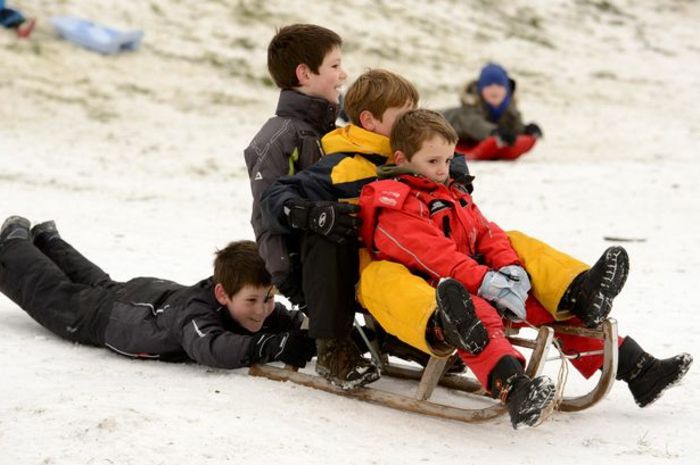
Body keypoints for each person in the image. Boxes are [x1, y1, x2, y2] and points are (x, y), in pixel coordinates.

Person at [357, 109, 693, 428]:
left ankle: (638, 368)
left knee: (550, 305)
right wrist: (485, 280)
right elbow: (434, 255)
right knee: (477, 318)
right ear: (401, 159)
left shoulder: (453, 193)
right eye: (433, 162)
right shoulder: (394, 203)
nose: (443, 169)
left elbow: (487, 232)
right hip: (440, 291)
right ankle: (515, 388)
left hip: (478, 276)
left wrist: (510, 269)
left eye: (447, 160)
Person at [243, 24, 379, 390]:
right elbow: (268, 211)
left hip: (345, 244)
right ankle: (334, 349)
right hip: (303, 260)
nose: (343, 74)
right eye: (335, 66)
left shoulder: (335, 133)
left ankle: (411, 337)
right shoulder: (276, 139)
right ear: (305, 73)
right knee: (328, 225)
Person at [0, 216, 316, 370]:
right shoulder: (196, 316)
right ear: (222, 294)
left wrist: (322, 333)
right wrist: (270, 346)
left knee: (98, 283)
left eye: (269, 298)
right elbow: (211, 347)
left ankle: (49, 242)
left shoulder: (244, 300)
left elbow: (289, 320)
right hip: (110, 319)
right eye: (252, 301)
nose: (262, 310)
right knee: (56, 294)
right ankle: (14, 244)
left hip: (144, 297)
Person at [442, 62, 542, 161]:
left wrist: (526, 130)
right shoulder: (470, 107)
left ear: (506, 89)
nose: (494, 89)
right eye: (488, 85)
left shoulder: (509, 109)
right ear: (480, 89)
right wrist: (493, 132)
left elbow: (514, 129)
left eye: (499, 85)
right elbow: (474, 125)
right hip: (442, 123)